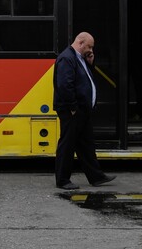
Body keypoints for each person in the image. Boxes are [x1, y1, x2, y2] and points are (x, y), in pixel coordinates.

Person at [53, 32, 116, 190]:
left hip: (82, 110)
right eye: (89, 46)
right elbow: (64, 85)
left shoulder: (80, 58)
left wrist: (90, 61)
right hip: (72, 110)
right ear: (80, 43)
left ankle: (96, 177)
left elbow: (85, 79)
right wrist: (73, 107)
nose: (91, 49)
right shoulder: (66, 58)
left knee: (86, 144)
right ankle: (62, 180)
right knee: (67, 144)